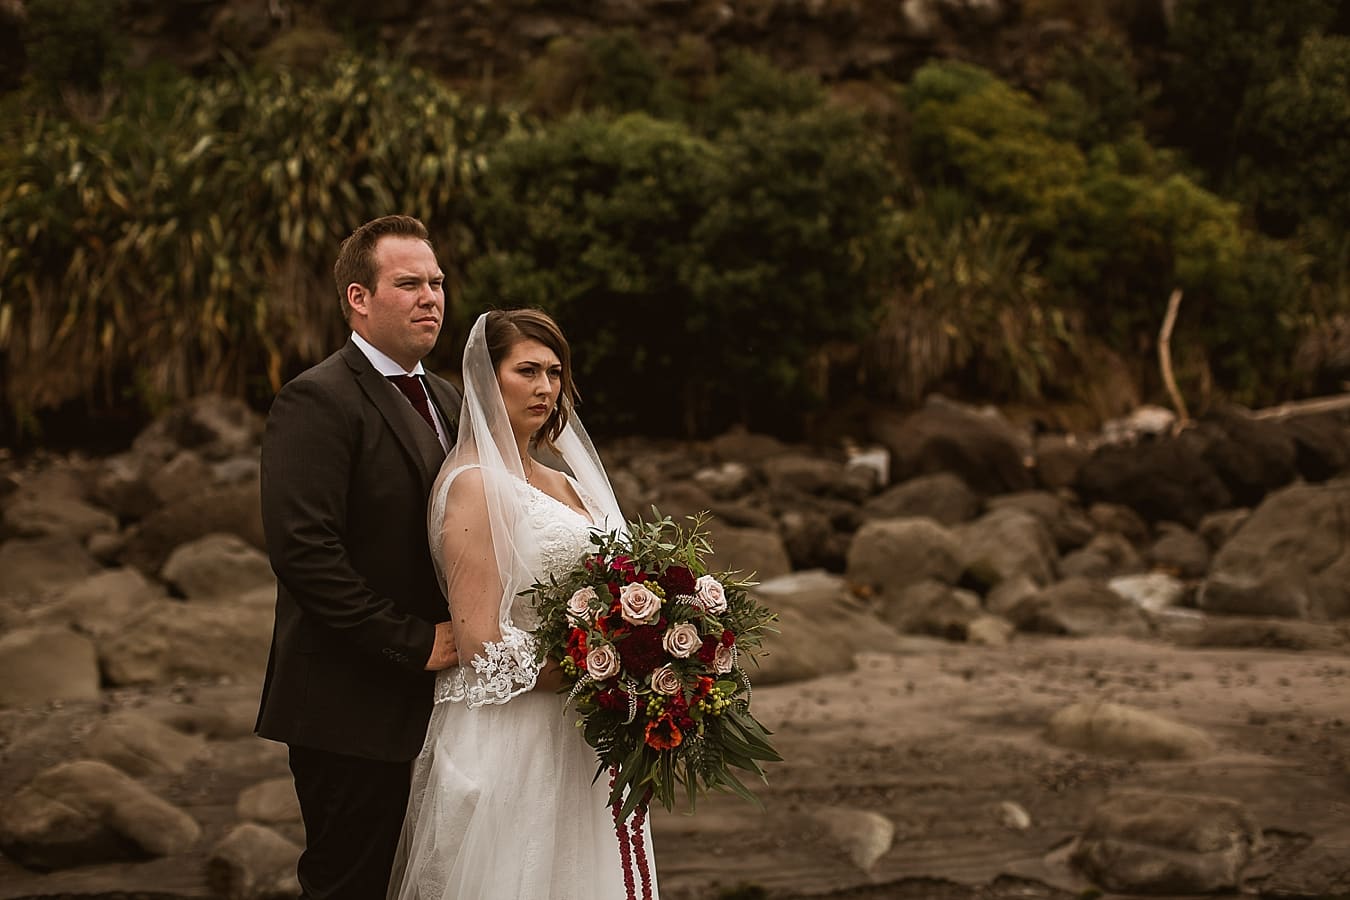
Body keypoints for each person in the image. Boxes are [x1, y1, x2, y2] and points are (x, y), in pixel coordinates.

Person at [388, 308, 658, 899]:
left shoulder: (564, 482)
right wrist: (593, 674)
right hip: (513, 733)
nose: (545, 388)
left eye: (555, 372)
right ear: (488, 380)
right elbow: (480, 640)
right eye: (527, 370)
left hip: (578, 727)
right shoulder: (474, 485)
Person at [256, 215, 462, 899]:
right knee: (352, 885)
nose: (431, 296)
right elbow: (304, 552)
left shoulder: (448, 399)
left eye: (435, 282)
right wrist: (413, 643)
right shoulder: (317, 398)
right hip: (348, 705)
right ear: (359, 298)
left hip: (443, 701)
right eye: (409, 284)